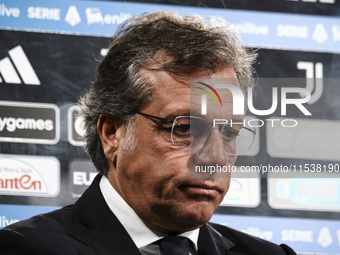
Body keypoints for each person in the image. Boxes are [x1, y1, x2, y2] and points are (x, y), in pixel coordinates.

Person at [0, 11, 296, 255]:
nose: (215, 158)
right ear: (112, 133)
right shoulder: (25, 249)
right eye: (185, 128)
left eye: (230, 133)